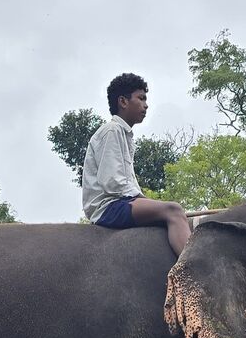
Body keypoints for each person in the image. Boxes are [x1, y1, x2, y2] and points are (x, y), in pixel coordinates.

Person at [81, 73, 191, 256]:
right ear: (123, 102)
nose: (146, 105)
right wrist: (145, 200)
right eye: (141, 98)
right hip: (108, 208)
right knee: (174, 210)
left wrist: (145, 201)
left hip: (120, 202)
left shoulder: (125, 135)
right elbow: (113, 182)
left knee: (173, 216)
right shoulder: (111, 131)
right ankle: (192, 269)